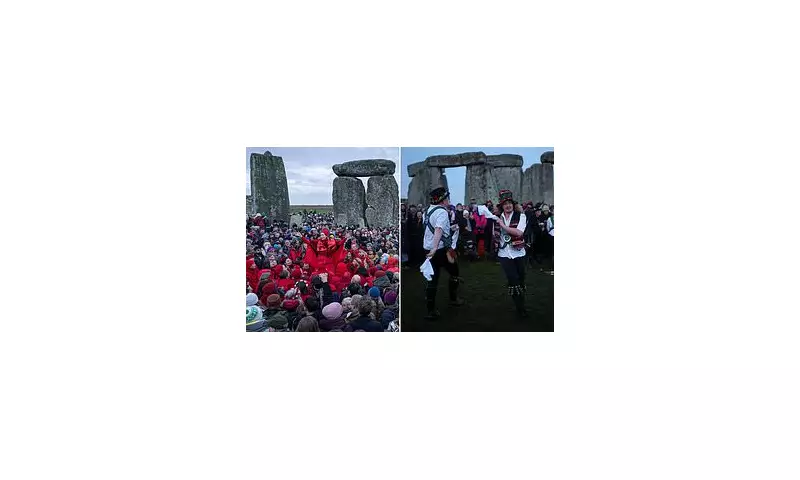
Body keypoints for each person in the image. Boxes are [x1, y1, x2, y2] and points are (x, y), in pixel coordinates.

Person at [482, 190, 529, 318]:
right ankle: (520, 308)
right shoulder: (496, 218)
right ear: (501, 206)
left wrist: (503, 226)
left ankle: (521, 302)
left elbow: (519, 233)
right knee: (513, 280)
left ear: (513, 204)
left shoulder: (521, 216)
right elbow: (491, 233)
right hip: (504, 254)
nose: (508, 205)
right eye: (505, 203)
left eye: (510, 203)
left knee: (520, 280)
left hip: (519, 253)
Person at [422, 187, 464, 321]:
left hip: (427, 248)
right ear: (443, 200)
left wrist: (451, 229)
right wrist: (435, 248)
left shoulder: (427, 211)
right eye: (447, 198)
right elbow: (438, 229)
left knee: (432, 279)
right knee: (454, 271)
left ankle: (431, 310)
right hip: (440, 249)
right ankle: (453, 299)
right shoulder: (442, 212)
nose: (448, 200)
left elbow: (434, 229)